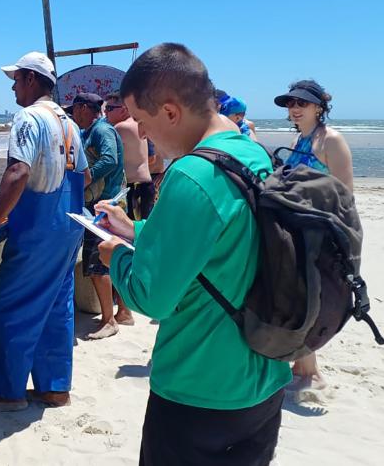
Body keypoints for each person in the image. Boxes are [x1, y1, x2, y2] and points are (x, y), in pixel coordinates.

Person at [94, 43, 291, 465]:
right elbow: (223, 237)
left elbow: (153, 298)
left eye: (143, 122)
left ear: (169, 112)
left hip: (199, 386)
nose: (142, 135)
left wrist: (117, 258)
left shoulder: (191, 174)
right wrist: (135, 230)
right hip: (264, 375)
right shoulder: (249, 152)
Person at [0, 51, 86, 411]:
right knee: (56, 306)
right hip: (70, 224)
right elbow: (83, 177)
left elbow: (17, 172)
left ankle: (5, 391)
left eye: (15, 79)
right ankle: (54, 388)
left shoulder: (29, 118)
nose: (12, 87)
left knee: (7, 306)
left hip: (40, 229)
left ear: (31, 79)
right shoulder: (69, 122)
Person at [274, 79, 354, 388]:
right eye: (291, 104)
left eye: (301, 103)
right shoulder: (297, 142)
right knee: (297, 301)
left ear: (319, 108)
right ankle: (303, 367)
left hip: (321, 234)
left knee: (308, 302)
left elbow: (346, 194)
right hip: (294, 232)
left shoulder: (331, 141)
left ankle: (307, 371)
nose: (294, 109)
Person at [69, 92, 133, 339]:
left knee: (97, 265)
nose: (74, 115)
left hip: (103, 205)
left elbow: (110, 159)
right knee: (113, 258)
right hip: (107, 204)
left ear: (84, 108)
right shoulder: (94, 130)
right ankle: (124, 312)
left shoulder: (101, 130)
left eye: (75, 110)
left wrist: (86, 179)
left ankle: (109, 320)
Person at [105, 93, 155, 220]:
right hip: (145, 186)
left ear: (123, 109)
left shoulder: (121, 127)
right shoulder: (137, 124)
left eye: (110, 108)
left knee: (130, 231)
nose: (105, 111)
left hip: (134, 188)